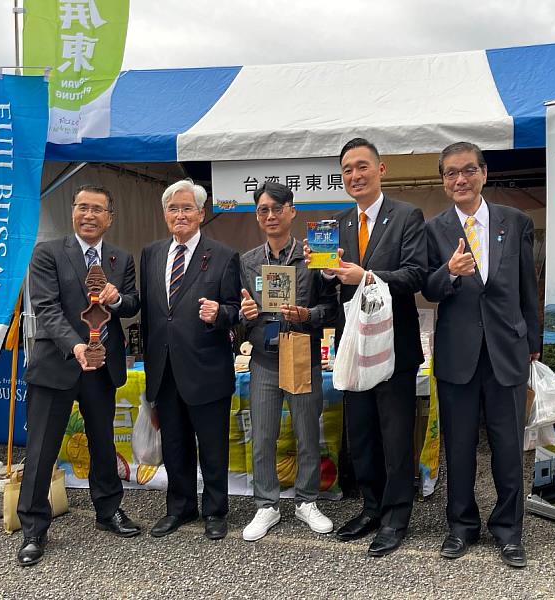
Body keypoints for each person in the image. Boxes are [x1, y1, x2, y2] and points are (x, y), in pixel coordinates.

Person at [307, 138, 427, 557]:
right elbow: (327, 283)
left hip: (394, 347)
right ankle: (371, 508)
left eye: (361, 167)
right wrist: (322, 270)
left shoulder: (407, 216)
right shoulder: (336, 223)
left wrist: (367, 276)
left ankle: (396, 517)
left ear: (382, 170)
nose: (354, 176)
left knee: (395, 436)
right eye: (346, 170)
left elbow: (415, 275)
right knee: (361, 436)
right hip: (352, 347)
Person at [422, 142, 540, 568]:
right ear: (443, 180)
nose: (460, 180)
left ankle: (509, 531)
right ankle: (461, 527)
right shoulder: (433, 229)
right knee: (459, 446)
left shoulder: (515, 221)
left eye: (467, 170)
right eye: (451, 173)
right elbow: (429, 288)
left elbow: (529, 287)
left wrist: (533, 343)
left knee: (509, 447)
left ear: (484, 173)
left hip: (508, 350)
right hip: (458, 355)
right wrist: (448, 273)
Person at [17, 185, 141, 567]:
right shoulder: (48, 253)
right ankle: (34, 528)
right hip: (58, 364)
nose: (89, 215)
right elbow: (46, 308)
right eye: (82, 207)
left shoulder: (121, 259)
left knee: (103, 442)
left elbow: (133, 303)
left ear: (110, 217)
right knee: (41, 450)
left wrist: (117, 299)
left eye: (97, 209)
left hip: (102, 367)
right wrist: (76, 347)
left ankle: (108, 510)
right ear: (73, 211)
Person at [140, 179, 241, 541]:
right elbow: (152, 317)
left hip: (206, 368)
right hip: (164, 370)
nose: (179, 215)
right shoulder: (151, 253)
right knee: (175, 444)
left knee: (212, 445)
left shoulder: (223, 255)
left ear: (201, 214)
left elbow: (237, 311)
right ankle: (179, 508)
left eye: (187, 208)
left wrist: (221, 313)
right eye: (173, 209)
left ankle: (215, 510)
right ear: (165, 215)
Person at [238, 182, 338, 541]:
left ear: (292, 211)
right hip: (264, 359)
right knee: (263, 436)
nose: (270, 216)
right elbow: (242, 314)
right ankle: (267, 504)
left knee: (307, 434)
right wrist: (245, 313)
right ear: (257, 215)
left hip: (302, 354)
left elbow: (331, 310)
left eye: (277, 209)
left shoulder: (312, 259)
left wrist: (306, 314)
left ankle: (306, 500)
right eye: (263, 210)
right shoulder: (248, 261)